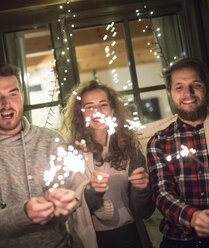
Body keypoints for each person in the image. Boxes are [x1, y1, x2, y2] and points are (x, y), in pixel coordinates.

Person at [0, 63, 78, 247]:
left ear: (21, 97)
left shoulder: (51, 139)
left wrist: (65, 204)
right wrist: (26, 212)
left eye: (13, 94)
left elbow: (70, 200)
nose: (6, 104)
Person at [147, 57, 209, 248]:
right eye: (179, 87)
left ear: (206, 88)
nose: (188, 93)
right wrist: (193, 217)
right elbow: (161, 192)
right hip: (179, 242)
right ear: (170, 93)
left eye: (195, 85)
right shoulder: (159, 142)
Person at [62, 80, 154, 248]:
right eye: (89, 107)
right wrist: (92, 191)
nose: (97, 111)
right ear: (80, 113)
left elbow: (144, 212)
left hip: (133, 236)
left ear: (112, 110)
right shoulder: (72, 155)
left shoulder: (131, 152)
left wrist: (142, 189)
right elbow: (75, 207)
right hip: (95, 240)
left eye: (103, 104)